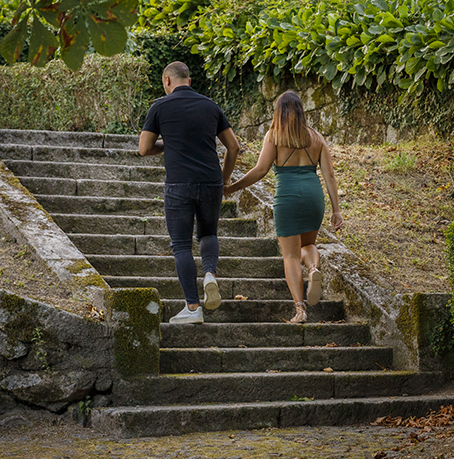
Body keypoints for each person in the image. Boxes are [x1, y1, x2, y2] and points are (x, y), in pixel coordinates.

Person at [224, 90, 343, 324]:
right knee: (308, 244)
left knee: (289, 256)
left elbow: (260, 170)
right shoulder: (317, 138)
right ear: (301, 111)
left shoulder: (274, 136)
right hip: (313, 197)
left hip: (287, 198)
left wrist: (231, 188)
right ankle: (312, 268)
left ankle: (300, 310)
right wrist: (336, 210)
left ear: (278, 112)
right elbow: (329, 175)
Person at [139, 61, 241, 324]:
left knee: (182, 245)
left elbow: (144, 147)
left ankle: (193, 308)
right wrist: (225, 178)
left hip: (179, 184)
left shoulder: (160, 107)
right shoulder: (210, 106)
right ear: (189, 81)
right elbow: (234, 147)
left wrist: (168, 142)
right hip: (211, 182)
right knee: (208, 233)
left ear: (167, 80)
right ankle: (209, 274)